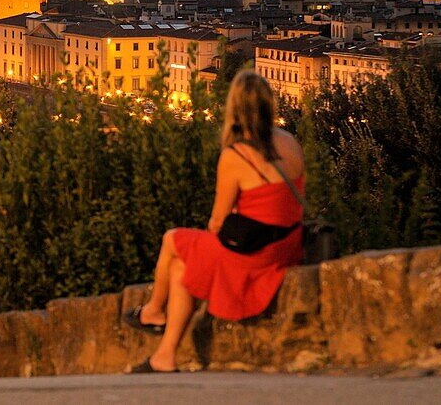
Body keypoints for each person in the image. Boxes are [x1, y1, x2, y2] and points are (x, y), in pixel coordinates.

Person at [122, 69, 305, 373]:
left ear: (234, 107)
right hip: (288, 246)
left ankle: (154, 310)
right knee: (181, 267)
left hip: (256, 256)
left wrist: (219, 235)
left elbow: (218, 221)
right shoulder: (290, 141)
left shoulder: (237, 154)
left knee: (172, 239)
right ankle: (164, 357)